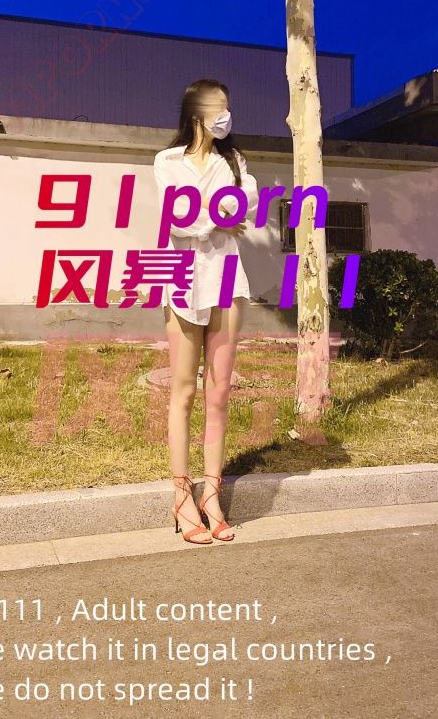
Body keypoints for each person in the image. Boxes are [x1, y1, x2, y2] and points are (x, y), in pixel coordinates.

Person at [153, 79, 259, 545]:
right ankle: (181, 497)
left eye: (228, 107)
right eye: (218, 107)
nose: (225, 115)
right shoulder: (167, 162)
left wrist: (212, 215)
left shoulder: (235, 163)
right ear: (196, 111)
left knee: (218, 393)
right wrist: (218, 216)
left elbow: (247, 208)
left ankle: (211, 496)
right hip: (182, 280)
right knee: (183, 392)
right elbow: (178, 219)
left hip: (226, 280)